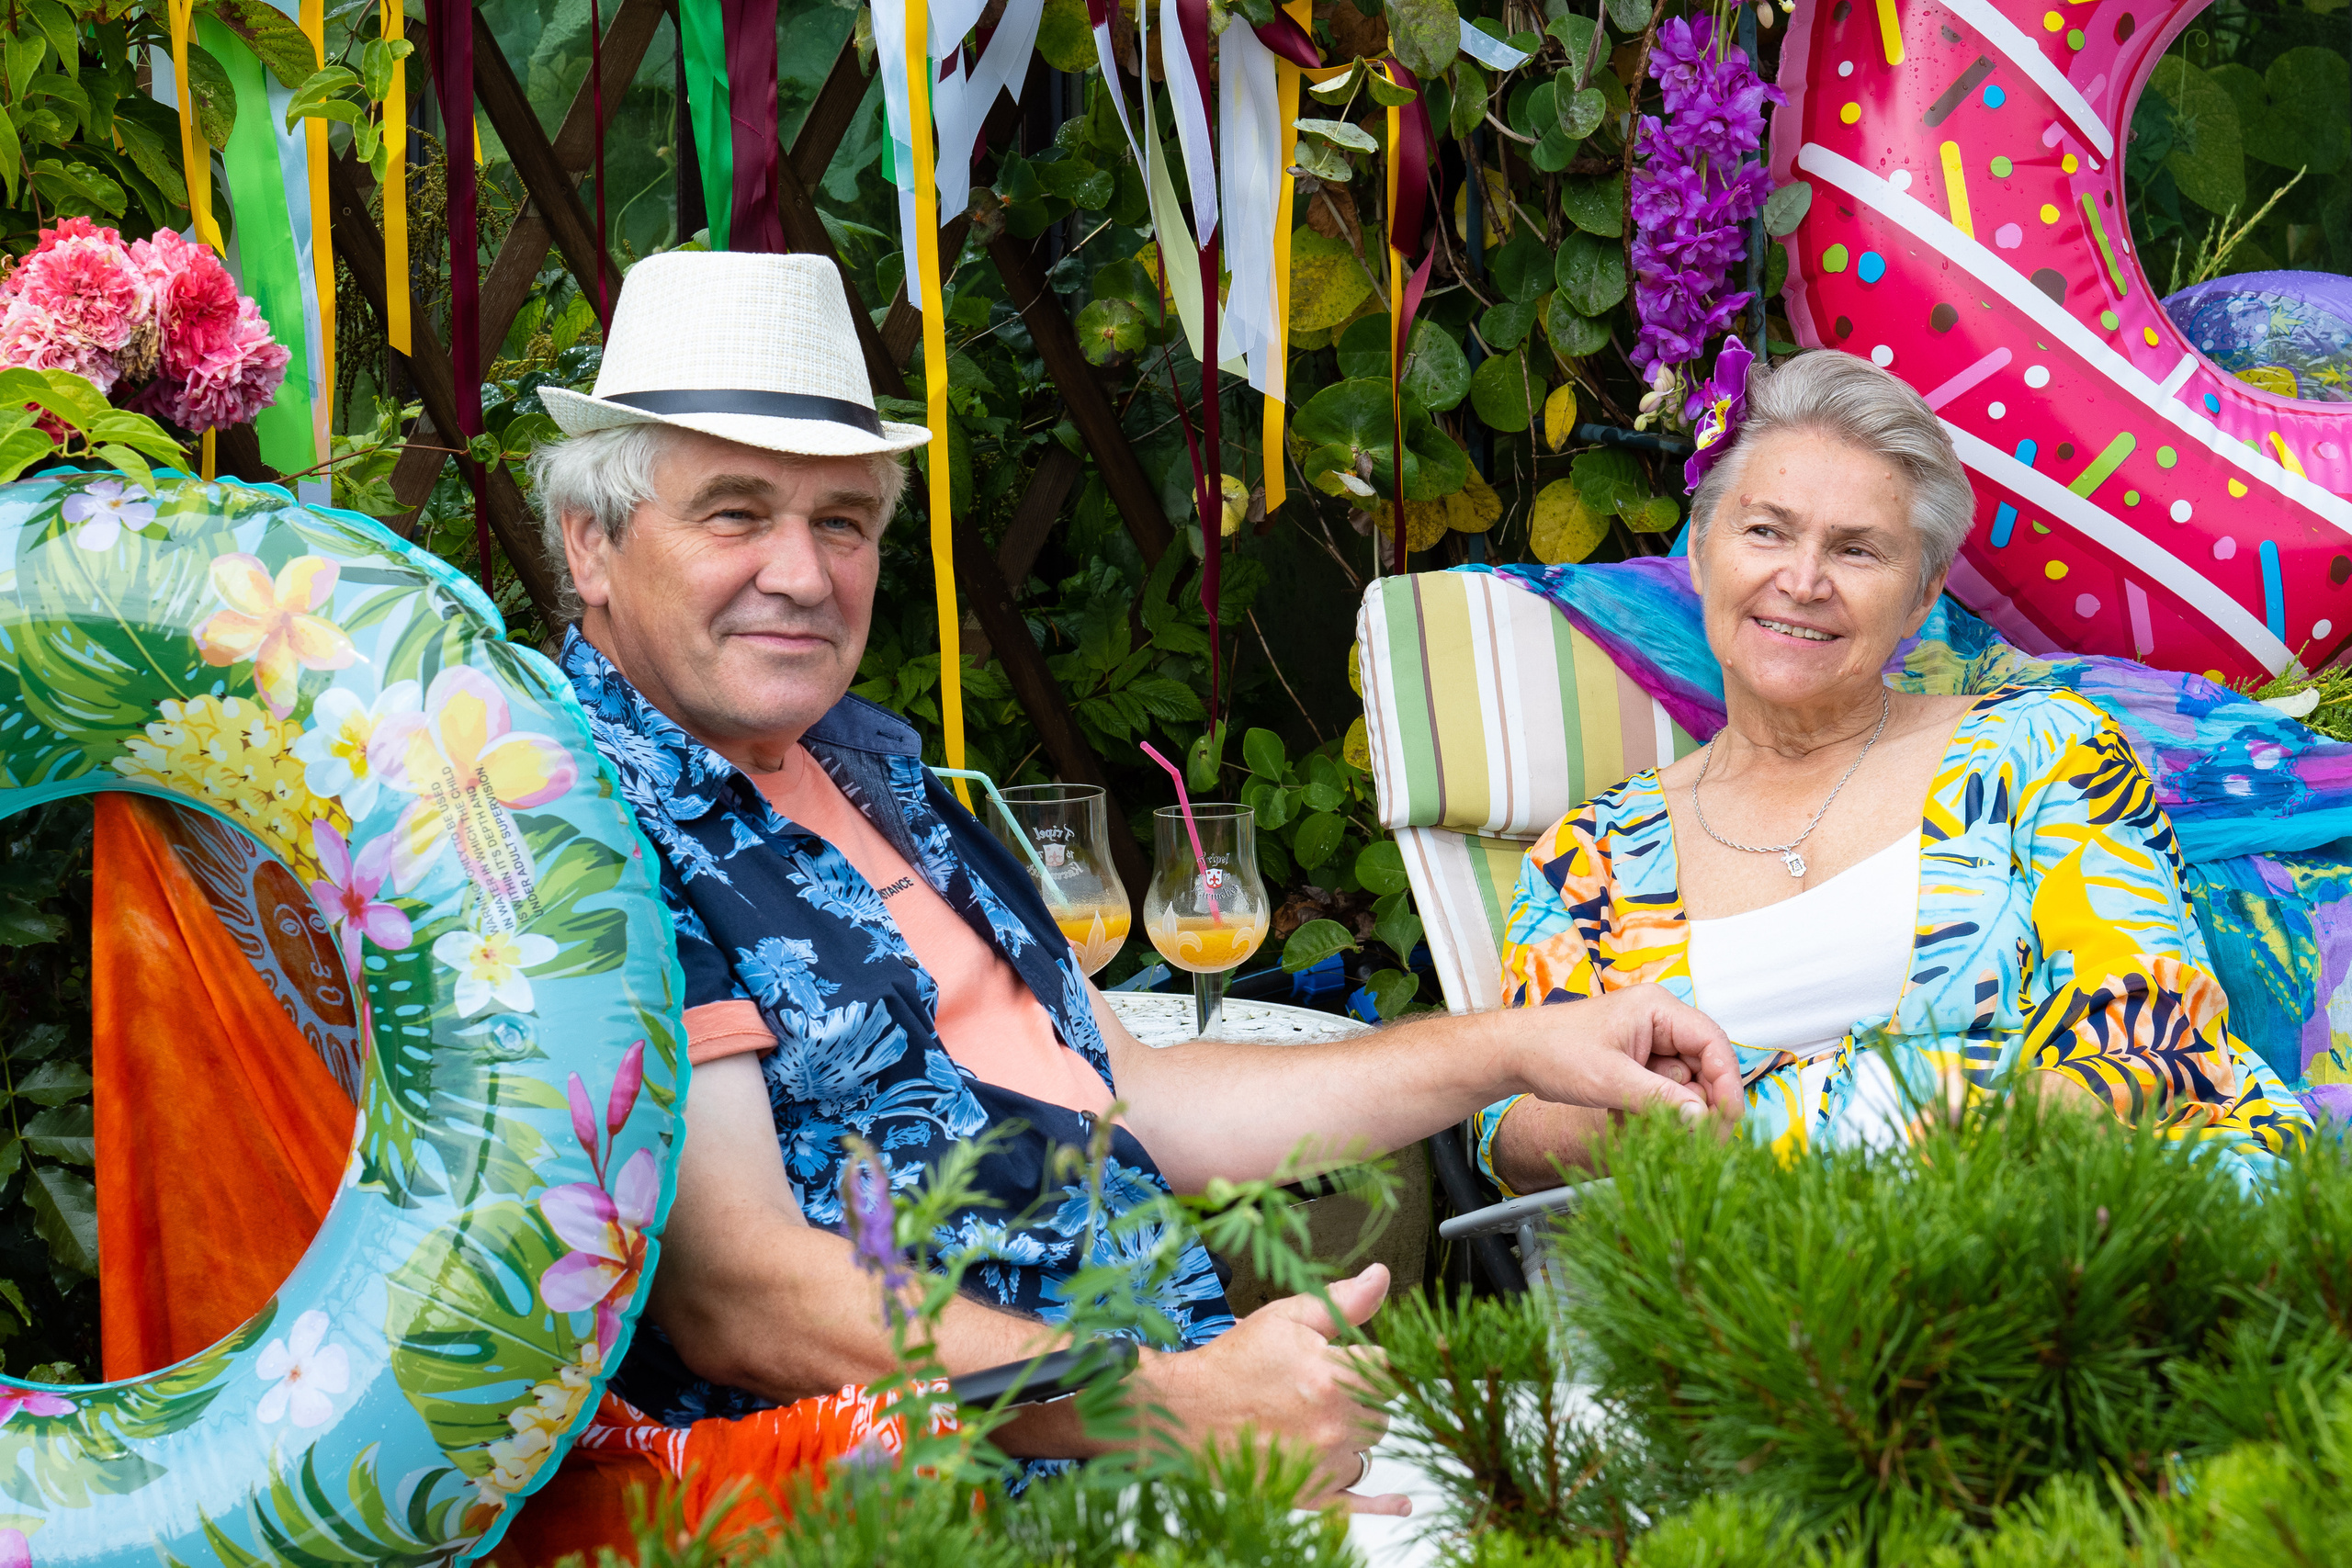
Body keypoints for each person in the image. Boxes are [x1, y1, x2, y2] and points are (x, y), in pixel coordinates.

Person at [525, 251, 1743, 1514]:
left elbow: (1134, 1092)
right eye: (734, 511)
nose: (801, 569)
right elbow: (738, 1292)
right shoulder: (584, 822)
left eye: (842, 521)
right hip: (922, 1520)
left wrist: (1519, 1046)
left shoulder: (875, 773)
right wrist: (1172, 1404)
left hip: (1174, 1459)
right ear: (592, 543)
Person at [1476, 350, 2313, 1198]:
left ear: (1922, 596)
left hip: (2076, 1222)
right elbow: (1509, 1126)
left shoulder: (2041, 749)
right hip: (1757, 1282)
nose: (1801, 582)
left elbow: (2150, 1034)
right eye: (1765, 530)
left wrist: (1863, 1140)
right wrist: (1635, 1114)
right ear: (1700, 551)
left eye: (1858, 550)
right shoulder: (1594, 857)